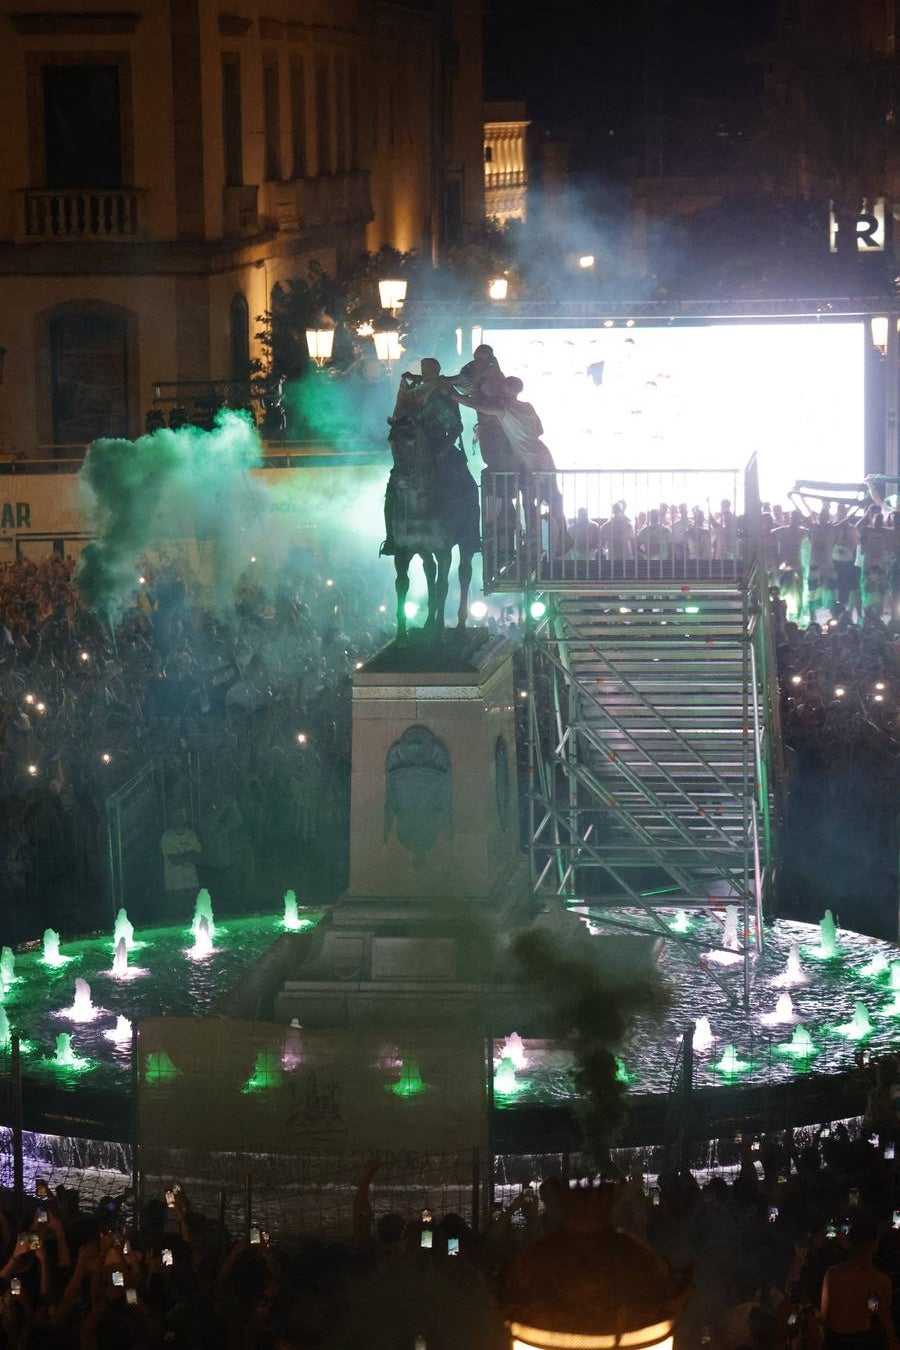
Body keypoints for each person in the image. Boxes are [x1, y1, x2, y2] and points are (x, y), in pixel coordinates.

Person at [450, 375, 571, 556]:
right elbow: (540, 430)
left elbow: (476, 405)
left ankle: (532, 541)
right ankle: (563, 535)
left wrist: (453, 396)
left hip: (528, 458)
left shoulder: (504, 409)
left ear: (507, 390)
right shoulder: (527, 407)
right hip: (543, 454)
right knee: (551, 495)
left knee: (529, 497)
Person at [820, 1215, 898, 1349]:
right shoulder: (879, 1280)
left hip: (835, 1341)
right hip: (861, 1342)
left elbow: (825, 1317)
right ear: (874, 1243)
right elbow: (883, 1317)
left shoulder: (832, 1275)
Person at [159, 807, 203, 914]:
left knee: (193, 915)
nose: (179, 818)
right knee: (177, 916)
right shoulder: (167, 837)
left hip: (192, 885)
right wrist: (190, 855)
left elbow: (199, 857)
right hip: (174, 887)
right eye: (176, 815)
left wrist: (182, 857)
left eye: (181, 815)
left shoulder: (192, 834)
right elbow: (174, 860)